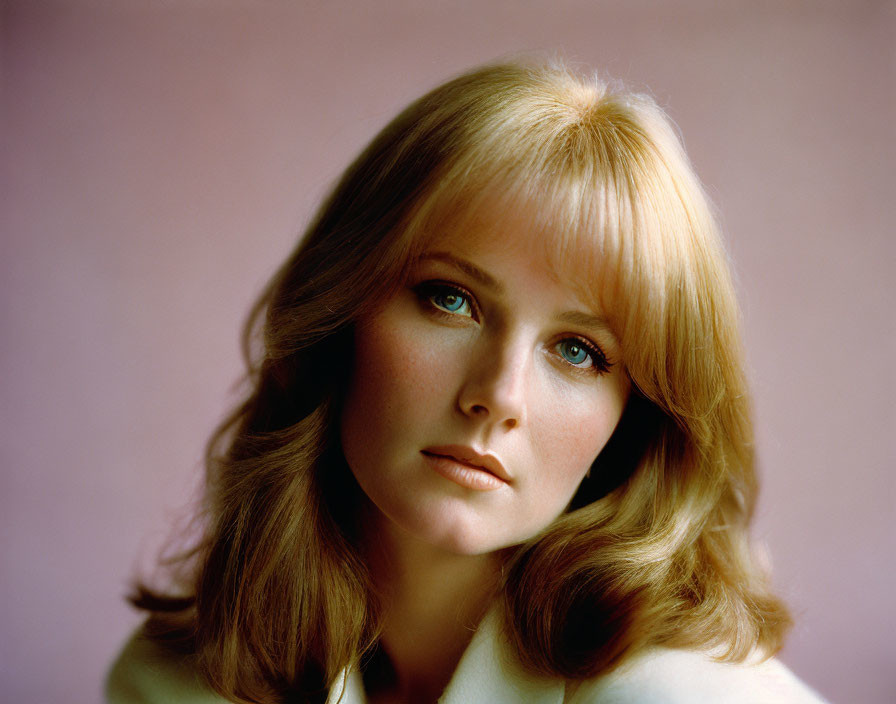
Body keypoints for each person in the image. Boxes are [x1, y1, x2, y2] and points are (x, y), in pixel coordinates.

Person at [106, 59, 828, 703]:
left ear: (634, 420)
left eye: (578, 351)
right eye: (451, 299)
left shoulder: (690, 695)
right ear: (339, 314)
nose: (500, 396)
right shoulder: (171, 682)